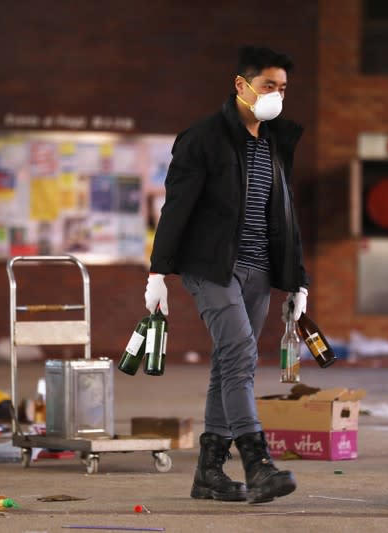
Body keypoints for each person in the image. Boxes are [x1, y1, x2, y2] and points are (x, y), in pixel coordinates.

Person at [145, 46, 308, 504]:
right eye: (268, 86)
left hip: (259, 269)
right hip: (210, 266)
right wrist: (158, 272)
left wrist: (298, 279)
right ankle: (258, 463)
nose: (276, 95)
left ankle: (209, 472)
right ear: (241, 85)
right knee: (239, 354)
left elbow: (287, 215)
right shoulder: (203, 138)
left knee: (229, 364)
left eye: (282, 88)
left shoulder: (276, 141)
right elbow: (176, 206)